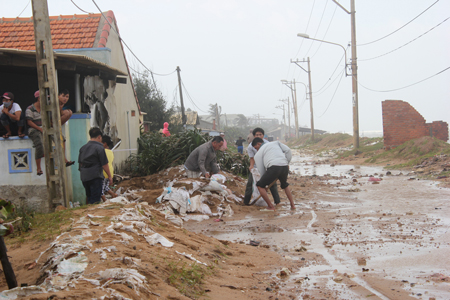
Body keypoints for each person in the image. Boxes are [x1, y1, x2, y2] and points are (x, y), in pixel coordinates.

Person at [252, 137, 295, 211]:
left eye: (256, 148)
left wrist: (264, 184)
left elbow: (262, 171)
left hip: (273, 167)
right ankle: (293, 205)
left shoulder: (258, 154)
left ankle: (270, 206)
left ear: (259, 144)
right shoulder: (276, 143)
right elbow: (288, 150)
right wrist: (287, 162)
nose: (256, 150)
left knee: (259, 185)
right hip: (284, 166)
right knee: (284, 184)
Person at [244, 127, 280, 205]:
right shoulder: (250, 146)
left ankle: (277, 201)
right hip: (256, 167)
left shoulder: (268, 144)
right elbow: (252, 158)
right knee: (250, 183)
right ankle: (246, 202)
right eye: (257, 135)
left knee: (272, 184)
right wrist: (251, 166)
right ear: (254, 136)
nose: (258, 136)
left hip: (267, 166)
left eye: (260, 134)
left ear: (263, 135)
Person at [78, 127, 112, 204]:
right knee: (96, 200)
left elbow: (80, 163)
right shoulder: (99, 148)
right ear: (99, 137)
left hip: (84, 177)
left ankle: (88, 212)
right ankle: (93, 214)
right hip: (95, 176)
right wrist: (109, 176)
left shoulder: (83, 148)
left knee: (89, 196)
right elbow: (104, 164)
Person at [26, 91, 44, 175]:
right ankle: (38, 168)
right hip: (34, 129)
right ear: (39, 98)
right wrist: (40, 129)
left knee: (60, 138)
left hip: (43, 129)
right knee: (39, 144)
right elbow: (29, 122)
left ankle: (65, 160)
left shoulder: (45, 108)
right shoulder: (30, 108)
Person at [101, 135, 118, 202]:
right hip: (110, 172)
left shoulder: (102, 151)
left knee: (100, 189)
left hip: (104, 172)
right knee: (105, 187)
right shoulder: (110, 152)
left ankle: (105, 200)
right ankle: (113, 194)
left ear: (104, 143)